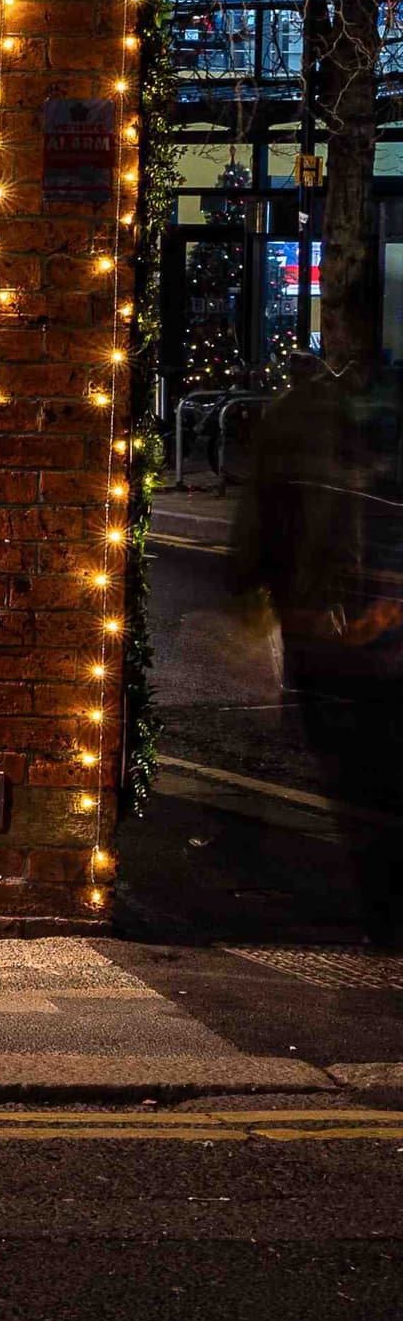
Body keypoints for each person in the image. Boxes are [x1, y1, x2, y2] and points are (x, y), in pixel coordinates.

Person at [227, 356, 403, 942]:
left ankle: (379, 904)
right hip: (343, 605)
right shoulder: (336, 411)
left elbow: (264, 510)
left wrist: (250, 578)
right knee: (361, 759)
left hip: (328, 608)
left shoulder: (300, 412)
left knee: (352, 761)